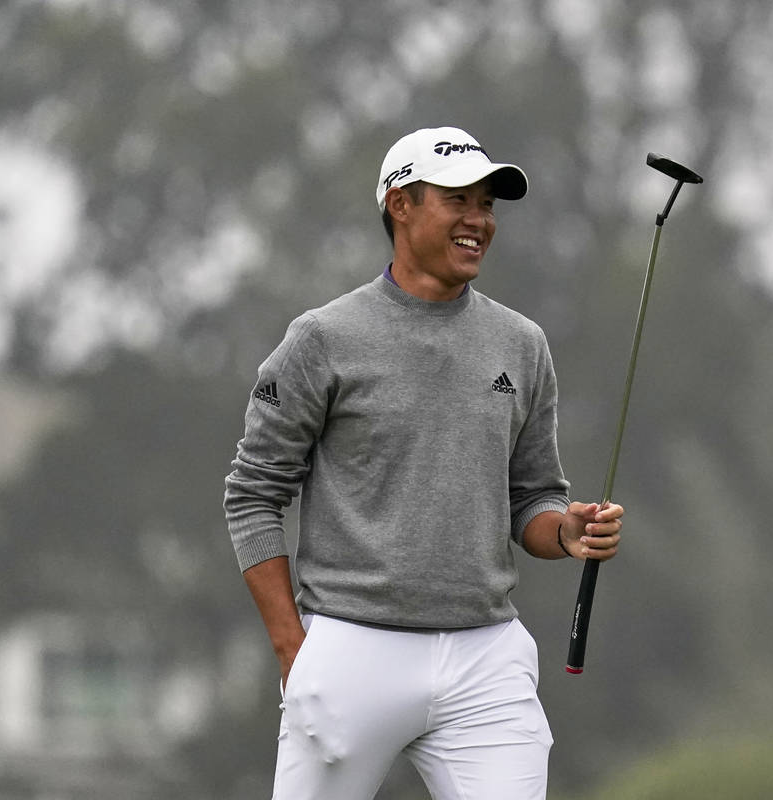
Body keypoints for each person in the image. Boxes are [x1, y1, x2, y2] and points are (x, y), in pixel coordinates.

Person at [223, 126, 623, 800]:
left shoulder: (521, 344)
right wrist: (295, 650)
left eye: (488, 205)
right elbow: (252, 494)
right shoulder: (323, 339)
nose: (479, 221)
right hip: (350, 646)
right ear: (401, 204)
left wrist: (567, 532)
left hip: (485, 656)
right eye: (458, 200)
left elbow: (533, 499)